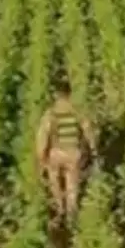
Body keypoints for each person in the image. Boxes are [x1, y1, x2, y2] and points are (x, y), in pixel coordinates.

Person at [35, 88, 95, 221]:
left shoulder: (51, 113)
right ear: (70, 94)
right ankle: (71, 211)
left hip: (56, 153)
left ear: (56, 95)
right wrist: (92, 148)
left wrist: (41, 156)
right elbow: (88, 129)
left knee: (54, 179)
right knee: (72, 183)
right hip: (73, 153)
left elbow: (43, 135)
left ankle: (59, 206)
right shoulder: (77, 111)